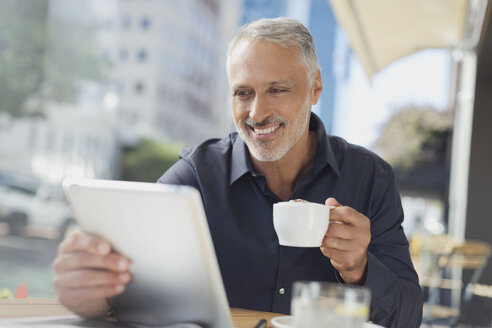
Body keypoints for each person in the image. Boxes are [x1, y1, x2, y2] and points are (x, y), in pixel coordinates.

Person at [53, 18, 423, 327]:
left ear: (315, 88)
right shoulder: (197, 175)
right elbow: (130, 281)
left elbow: (408, 317)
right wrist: (95, 290)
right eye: (242, 93)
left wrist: (358, 268)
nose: (257, 113)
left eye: (277, 89)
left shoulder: (371, 177)